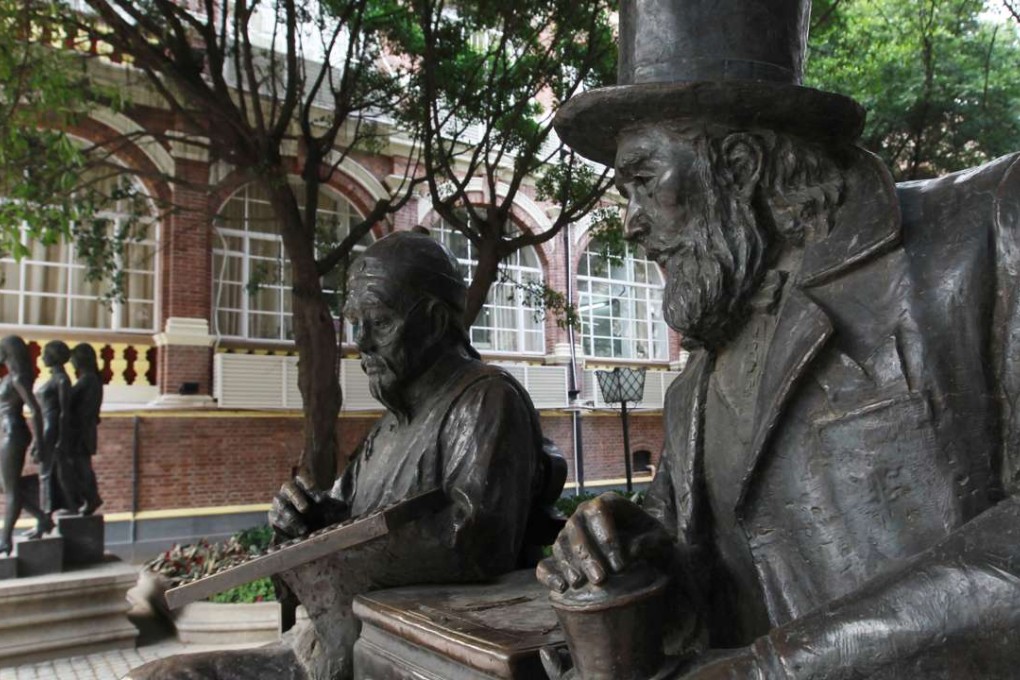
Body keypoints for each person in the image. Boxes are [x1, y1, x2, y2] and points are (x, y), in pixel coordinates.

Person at [538, 0, 1020, 678]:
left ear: (737, 164)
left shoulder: (990, 226)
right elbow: (716, 594)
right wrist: (635, 555)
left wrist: (763, 671)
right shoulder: (694, 389)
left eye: (643, 181)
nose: (633, 223)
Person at [128, 230, 560, 680]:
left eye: (380, 321)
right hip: (335, 643)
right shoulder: (388, 426)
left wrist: (322, 555)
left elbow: (476, 540)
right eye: (355, 322)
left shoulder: (484, 399)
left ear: (433, 321)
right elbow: (344, 513)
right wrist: (305, 522)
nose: (362, 343)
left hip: (401, 653)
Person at [0, 336, 51, 554]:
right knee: (6, 485)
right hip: (8, 433)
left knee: (10, 488)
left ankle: (5, 541)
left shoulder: (18, 379)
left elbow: (35, 410)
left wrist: (40, 442)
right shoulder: (9, 377)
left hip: (14, 434)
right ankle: (42, 517)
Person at [33, 340, 72, 526]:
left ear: (55, 356)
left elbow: (65, 412)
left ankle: (46, 516)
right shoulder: (54, 379)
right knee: (47, 472)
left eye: (45, 353)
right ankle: (46, 515)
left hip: (53, 429)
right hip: (47, 427)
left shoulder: (62, 380)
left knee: (47, 472)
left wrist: (61, 438)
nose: (42, 357)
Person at [67, 342, 103, 515]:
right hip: (82, 430)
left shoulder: (88, 379)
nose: (71, 362)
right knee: (79, 467)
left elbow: (69, 399)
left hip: (81, 432)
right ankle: (85, 499)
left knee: (81, 467)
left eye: (73, 358)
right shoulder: (89, 379)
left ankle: (91, 498)